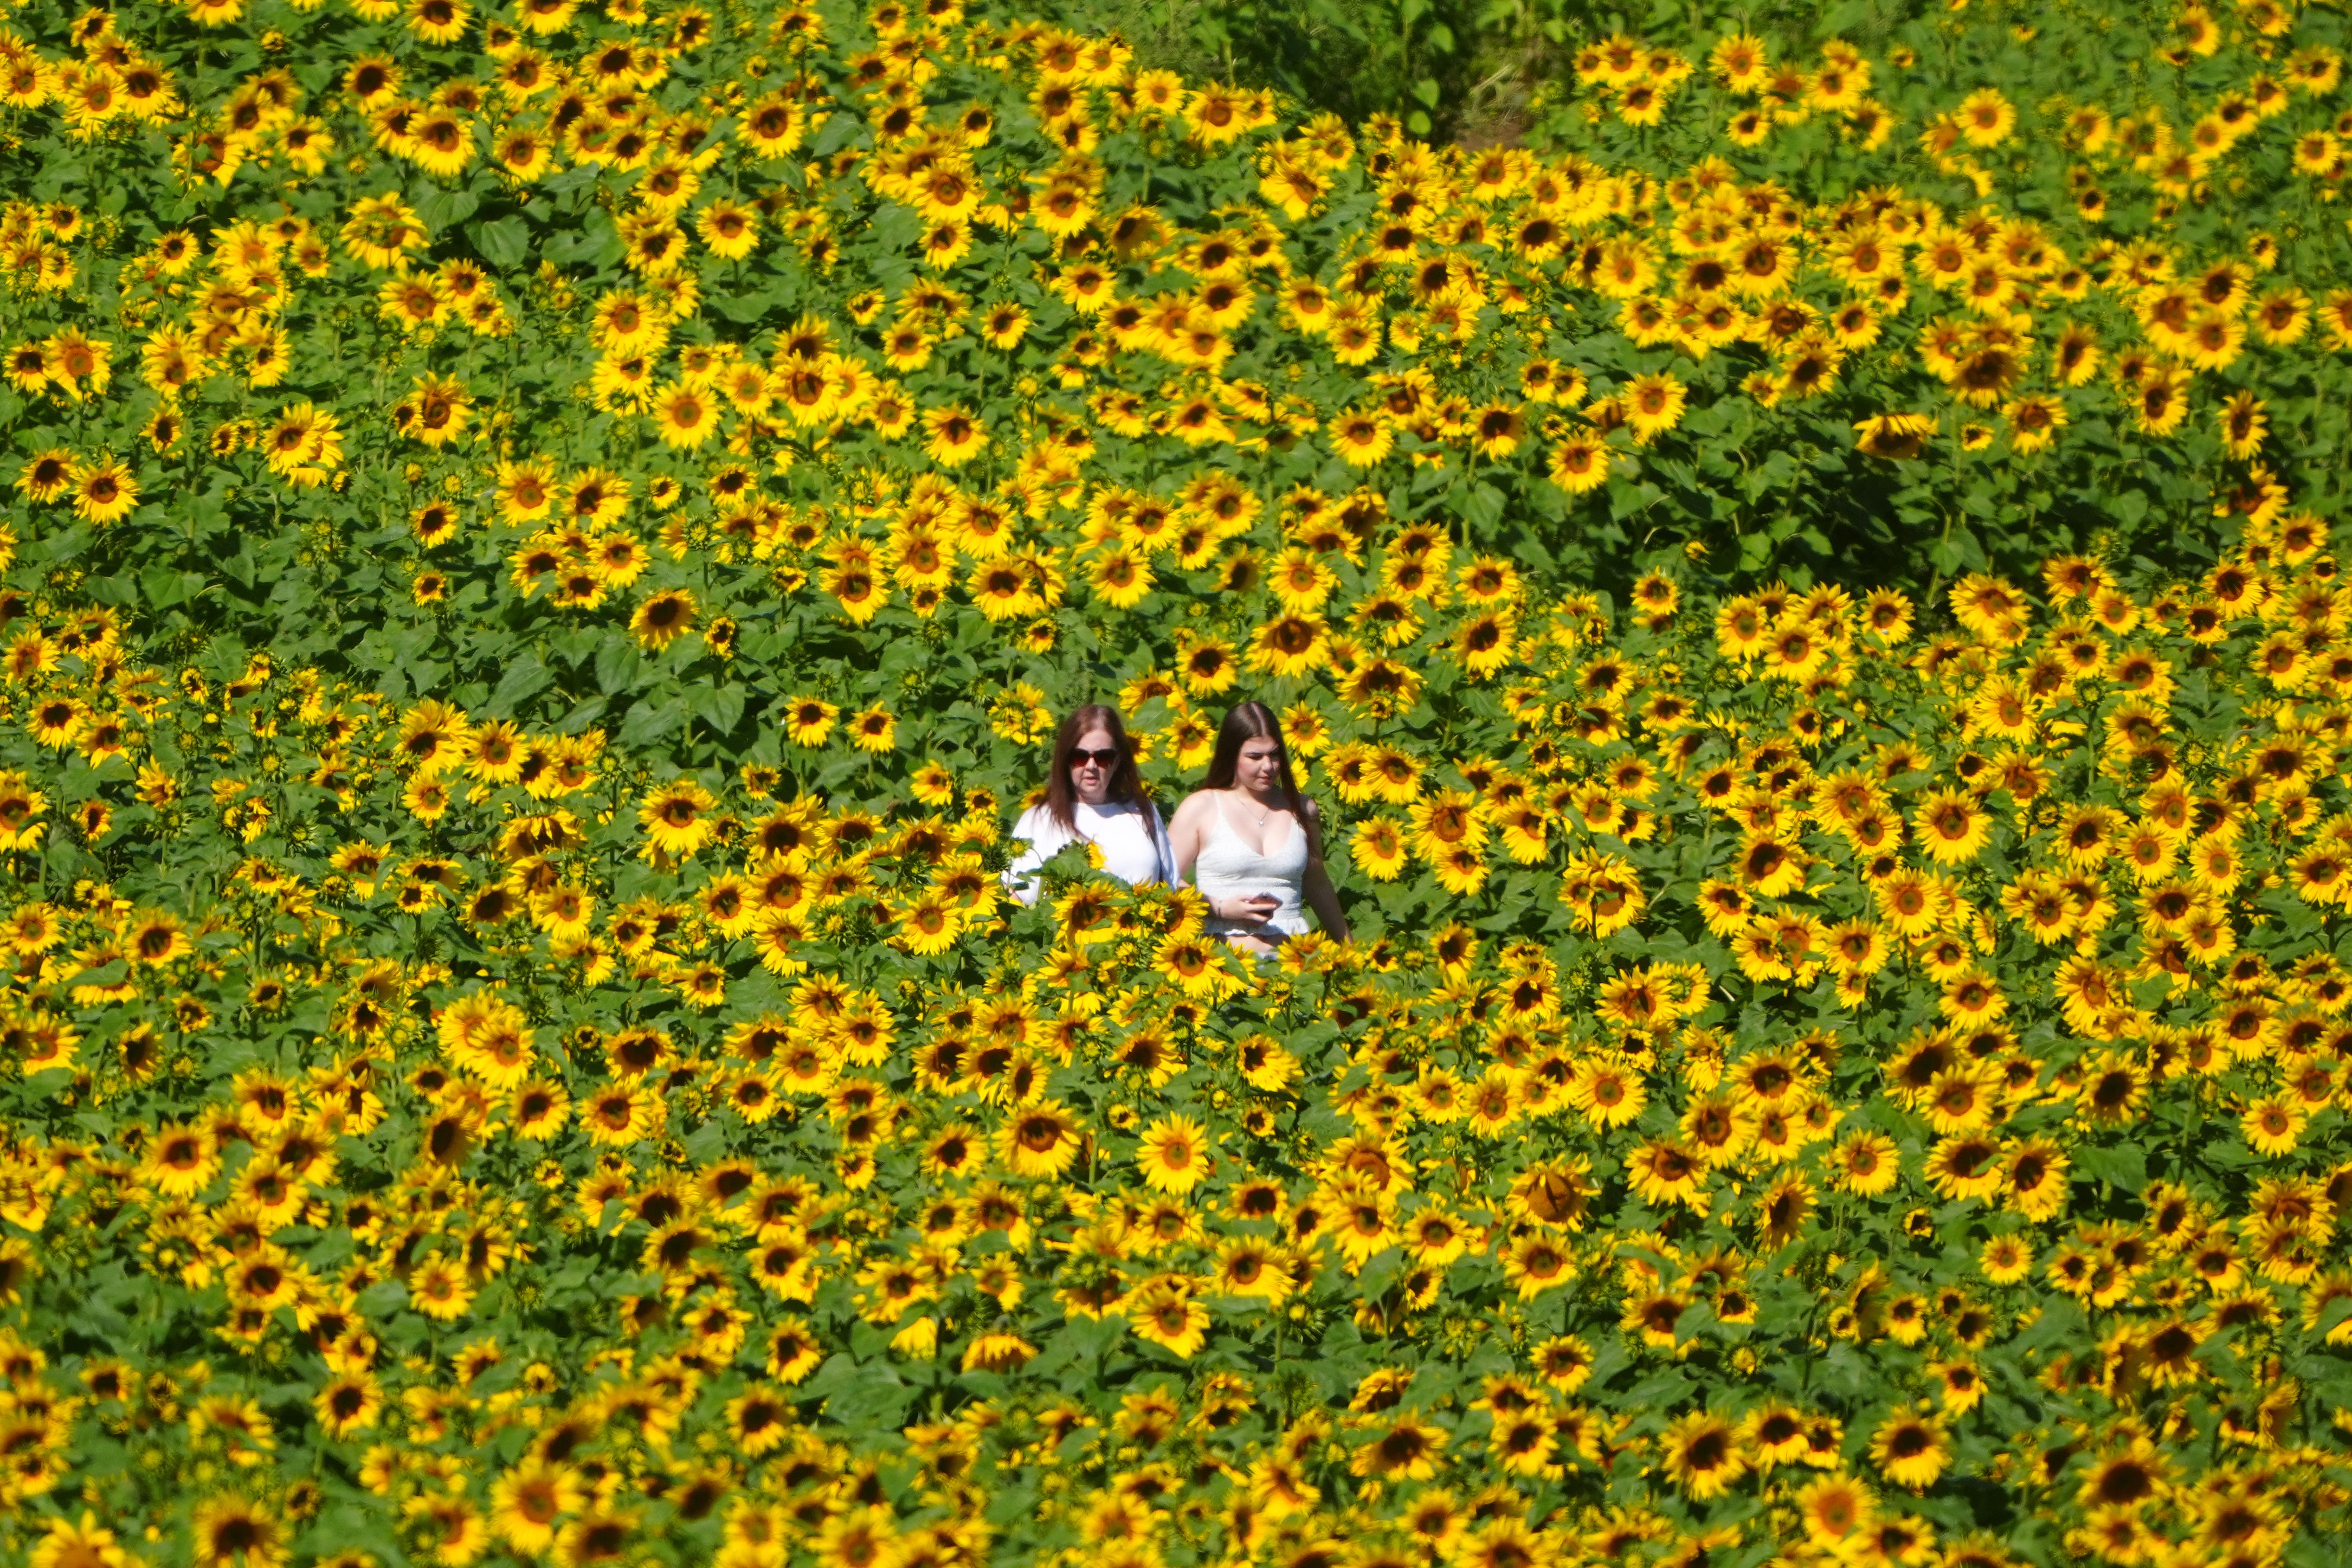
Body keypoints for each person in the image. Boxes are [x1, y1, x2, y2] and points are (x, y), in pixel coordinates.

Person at [1169, 701, 1350, 954]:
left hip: (1294, 964)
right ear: (1231, 755)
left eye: (1274, 755)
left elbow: (1317, 882)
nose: (1268, 767)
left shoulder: (1302, 808)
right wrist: (1219, 908)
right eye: (1255, 757)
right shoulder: (1202, 806)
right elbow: (1166, 880)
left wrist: (1349, 950)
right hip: (1223, 965)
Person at [1003, 705, 1174, 905]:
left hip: (1137, 931)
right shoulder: (1039, 819)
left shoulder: (1143, 812)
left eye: (1103, 757)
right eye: (1080, 757)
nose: (1091, 766)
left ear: (1118, 760)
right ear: (1066, 760)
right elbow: (1013, 898)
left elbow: (1169, 887)